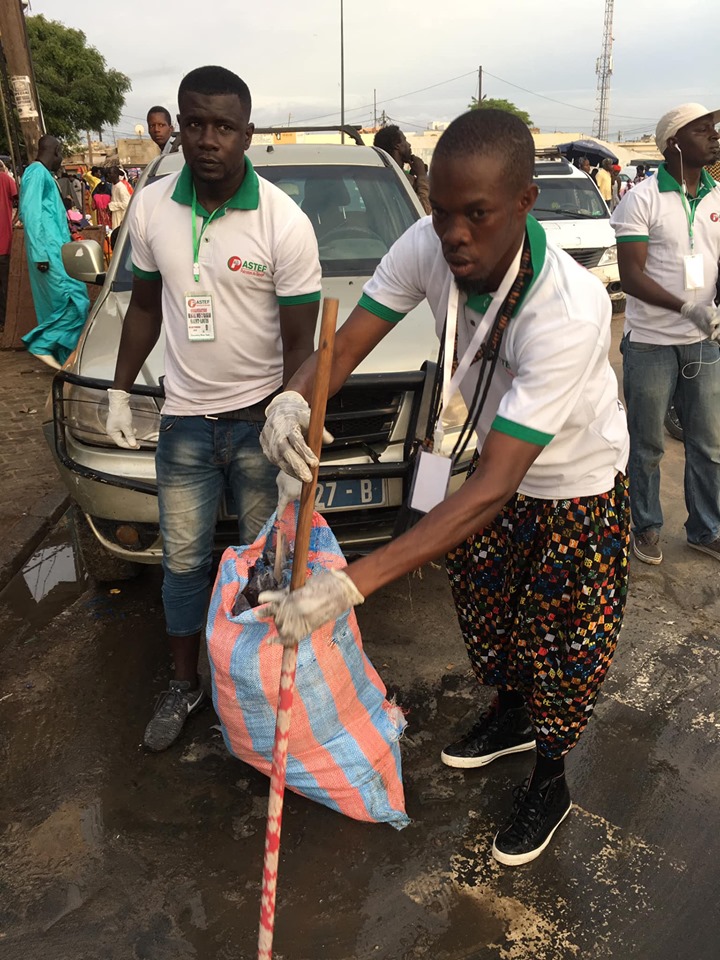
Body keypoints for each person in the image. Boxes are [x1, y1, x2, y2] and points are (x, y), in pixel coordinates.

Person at [260, 109, 630, 866]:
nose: (453, 233)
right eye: (442, 212)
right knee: (493, 621)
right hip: (488, 473)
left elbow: (494, 487)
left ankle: (551, 776)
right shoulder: (428, 246)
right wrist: (297, 397)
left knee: (562, 647)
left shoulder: (568, 309)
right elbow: (347, 343)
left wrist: (348, 586)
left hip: (572, 488)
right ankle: (510, 714)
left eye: (476, 214)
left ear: (526, 201)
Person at [105, 65, 321, 752]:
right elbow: (143, 307)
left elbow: (302, 344)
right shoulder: (152, 207)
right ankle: (185, 685)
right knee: (183, 566)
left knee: (266, 567)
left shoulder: (283, 222)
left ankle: (254, 697)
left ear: (246, 134)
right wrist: (118, 387)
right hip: (185, 424)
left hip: (261, 423)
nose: (206, 139)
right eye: (193, 122)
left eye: (222, 126)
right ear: (178, 123)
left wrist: (291, 422)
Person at [610, 102, 720, 564]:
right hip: (652, 340)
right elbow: (631, 277)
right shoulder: (643, 198)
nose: (714, 135)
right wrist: (686, 308)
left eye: (713, 128)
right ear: (674, 142)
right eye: (702, 130)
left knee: (708, 441)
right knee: (649, 442)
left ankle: (705, 530)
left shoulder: (717, 197)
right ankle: (647, 527)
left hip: (705, 341)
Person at [18, 135, 90, 369]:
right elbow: (30, 214)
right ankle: (40, 343)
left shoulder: (43, 175)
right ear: (56, 151)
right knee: (76, 300)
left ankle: (66, 360)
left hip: (57, 250)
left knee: (60, 305)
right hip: (48, 253)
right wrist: (40, 254)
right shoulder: (36, 173)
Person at [373, 125, 431, 214]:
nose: (409, 144)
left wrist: (414, 179)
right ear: (397, 145)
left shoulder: (383, 174)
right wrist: (422, 176)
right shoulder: (394, 178)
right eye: (405, 140)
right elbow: (424, 211)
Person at [0, 159, 18, 329]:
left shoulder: (5, 179)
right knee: (5, 283)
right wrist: (14, 220)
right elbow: (21, 199)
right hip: (3, 241)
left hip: (3, 241)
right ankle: (4, 321)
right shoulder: (6, 179)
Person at [107, 165, 131, 229]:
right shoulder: (113, 185)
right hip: (115, 214)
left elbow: (127, 204)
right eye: (108, 173)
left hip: (121, 216)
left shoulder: (121, 188)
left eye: (110, 173)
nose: (108, 175)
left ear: (116, 174)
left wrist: (112, 205)